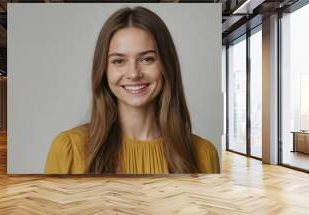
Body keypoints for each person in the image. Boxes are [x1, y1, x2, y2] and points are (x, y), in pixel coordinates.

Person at [45, 6, 220, 174]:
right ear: (103, 70)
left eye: (147, 59)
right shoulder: (69, 150)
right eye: (119, 61)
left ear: (167, 65)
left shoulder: (204, 154)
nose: (134, 74)